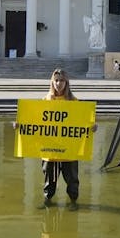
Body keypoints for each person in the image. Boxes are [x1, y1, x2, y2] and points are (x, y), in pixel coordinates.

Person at [41, 69, 80, 208]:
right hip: (50, 149)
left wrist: (92, 127)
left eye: (62, 80)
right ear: (52, 82)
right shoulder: (45, 101)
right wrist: (21, 125)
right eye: (56, 80)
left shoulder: (74, 102)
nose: (59, 83)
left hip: (68, 149)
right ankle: (47, 201)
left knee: (72, 179)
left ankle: (73, 202)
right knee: (49, 178)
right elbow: (36, 123)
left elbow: (81, 123)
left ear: (66, 82)